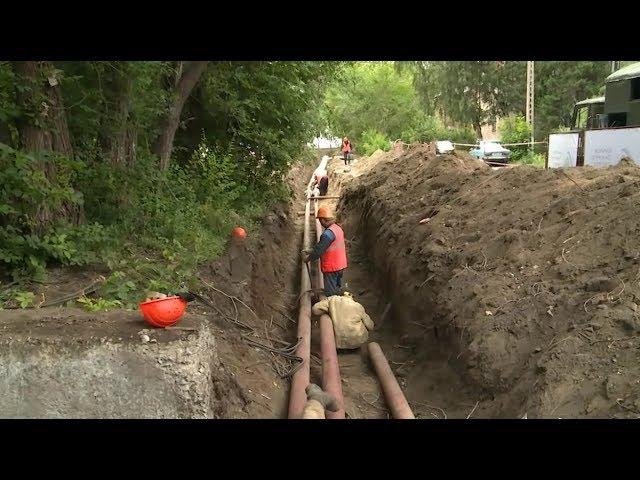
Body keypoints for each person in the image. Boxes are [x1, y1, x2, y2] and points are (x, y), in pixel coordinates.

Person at [302, 205, 347, 297]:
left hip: (331, 267)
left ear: (323, 220)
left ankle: (333, 308)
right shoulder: (337, 228)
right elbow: (326, 246)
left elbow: (319, 251)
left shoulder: (327, 234)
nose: (320, 222)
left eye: (320, 220)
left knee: (331, 295)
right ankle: (339, 302)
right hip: (340, 265)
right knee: (337, 288)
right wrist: (310, 250)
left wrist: (308, 258)